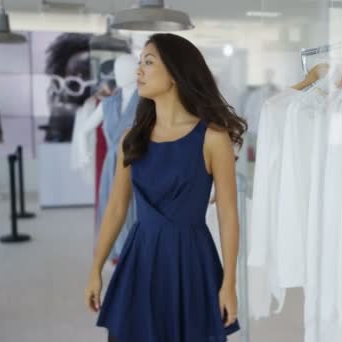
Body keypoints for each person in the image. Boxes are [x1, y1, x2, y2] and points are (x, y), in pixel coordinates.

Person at [84, 33, 247, 342]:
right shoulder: (131, 139)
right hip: (140, 258)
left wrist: (229, 284)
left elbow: (228, 216)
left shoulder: (213, 138)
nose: (139, 71)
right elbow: (117, 208)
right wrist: (95, 269)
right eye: (139, 63)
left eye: (148, 62)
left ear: (174, 73)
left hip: (192, 261)